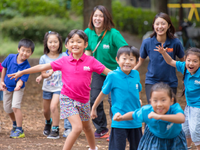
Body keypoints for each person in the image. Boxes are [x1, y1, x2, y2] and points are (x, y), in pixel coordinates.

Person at [8, 29, 111, 150]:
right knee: (77, 128)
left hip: (83, 100)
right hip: (67, 99)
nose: (75, 44)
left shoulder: (91, 61)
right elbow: (42, 66)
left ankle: (93, 148)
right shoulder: (64, 61)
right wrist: (22, 72)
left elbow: (109, 73)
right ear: (67, 45)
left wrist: (124, 77)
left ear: (85, 44)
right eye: (72, 41)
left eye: (79, 41)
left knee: (87, 127)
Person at [84, 5, 128, 139]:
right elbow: (88, 51)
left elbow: (125, 50)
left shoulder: (113, 34)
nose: (97, 19)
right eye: (95, 16)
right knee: (94, 98)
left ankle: (117, 129)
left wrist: (122, 67)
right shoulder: (88, 32)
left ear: (105, 18)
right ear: (92, 18)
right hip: (98, 72)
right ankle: (102, 129)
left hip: (114, 72)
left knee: (114, 101)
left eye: (100, 16)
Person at [91, 46, 142, 150]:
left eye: (131, 59)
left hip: (135, 119)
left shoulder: (136, 74)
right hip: (119, 120)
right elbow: (102, 93)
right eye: (124, 58)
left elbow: (137, 90)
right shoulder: (113, 76)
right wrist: (94, 108)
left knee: (137, 147)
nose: (127, 62)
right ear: (117, 60)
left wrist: (139, 101)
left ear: (136, 62)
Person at [114, 82, 187, 150]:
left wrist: (160, 117)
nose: (159, 104)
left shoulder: (174, 108)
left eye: (163, 100)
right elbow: (133, 114)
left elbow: (181, 118)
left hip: (174, 139)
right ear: (151, 101)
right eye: (155, 100)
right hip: (154, 139)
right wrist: (121, 117)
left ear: (171, 101)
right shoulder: (147, 111)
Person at [134, 12, 185, 104]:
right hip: (152, 81)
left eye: (163, 23)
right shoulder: (147, 42)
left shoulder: (175, 42)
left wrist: (188, 76)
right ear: (153, 26)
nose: (160, 26)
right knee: (153, 108)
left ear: (169, 25)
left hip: (170, 82)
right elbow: (140, 61)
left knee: (169, 109)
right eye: (157, 24)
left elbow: (184, 61)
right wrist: (128, 73)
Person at [156, 47, 200, 150]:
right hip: (189, 106)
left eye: (195, 61)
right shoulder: (184, 67)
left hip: (198, 108)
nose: (191, 63)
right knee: (185, 129)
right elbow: (170, 61)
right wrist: (163, 53)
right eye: (188, 60)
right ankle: (186, 147)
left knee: (195, 132)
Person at [35, 31, 67, 139]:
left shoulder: (64, 56)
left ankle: (55, 129)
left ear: (60, 43)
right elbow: (43, 73)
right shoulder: (43, 58)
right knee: (46, 110)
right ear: (46, 43)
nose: (53, 44)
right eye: (50, 42)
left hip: (59, 87)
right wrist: (46, 75)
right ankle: (48, 122)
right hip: (47, 87)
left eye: (55, 42)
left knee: (53, 106)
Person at [0, 39, 35, 138]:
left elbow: (22, 80)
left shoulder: (27, 66)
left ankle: (20, 129)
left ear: (31, 53)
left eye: (28, 51)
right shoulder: (10, 57)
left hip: (18, 88)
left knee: (15, 106)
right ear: (18, 49)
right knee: (7, 108)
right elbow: (4, 68)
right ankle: (14, 123)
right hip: (7, 86)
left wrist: (18, 85)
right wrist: (2, 81)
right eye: (23, 50)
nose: (25, 53)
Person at [63, 36, 72, 138]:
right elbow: (49, 66)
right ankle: (68, 128)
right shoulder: (63, 58)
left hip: (81, 92)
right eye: (71, 42)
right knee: (68, 109)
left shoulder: (87, 59)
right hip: (66, 90)